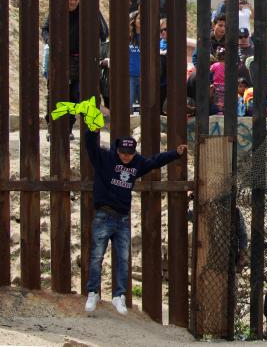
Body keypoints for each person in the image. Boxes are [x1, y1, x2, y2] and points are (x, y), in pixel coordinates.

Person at [57, 99, 187, 314]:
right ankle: (93, 293)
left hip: (123, 218)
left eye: (130, 154)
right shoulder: (106, 159)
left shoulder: (137, 163)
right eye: (123, 153)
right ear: (117, 150)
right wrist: (91, 126)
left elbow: (155, 161)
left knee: (123, 259)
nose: (126, 157)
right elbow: (90, 145)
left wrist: (176, 153)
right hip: (103, 215)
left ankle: (118, 295)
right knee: (97, 256)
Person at [42, 0, 110, 135]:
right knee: (55, 93)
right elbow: (45, 29)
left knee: (74, 95)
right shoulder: (57, 11)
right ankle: (52, 127)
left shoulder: (86, 13)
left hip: (80, 59)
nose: (72, 2)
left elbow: (103, 32)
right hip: (59, 58)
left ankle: (68, 128)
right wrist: (51, 42)